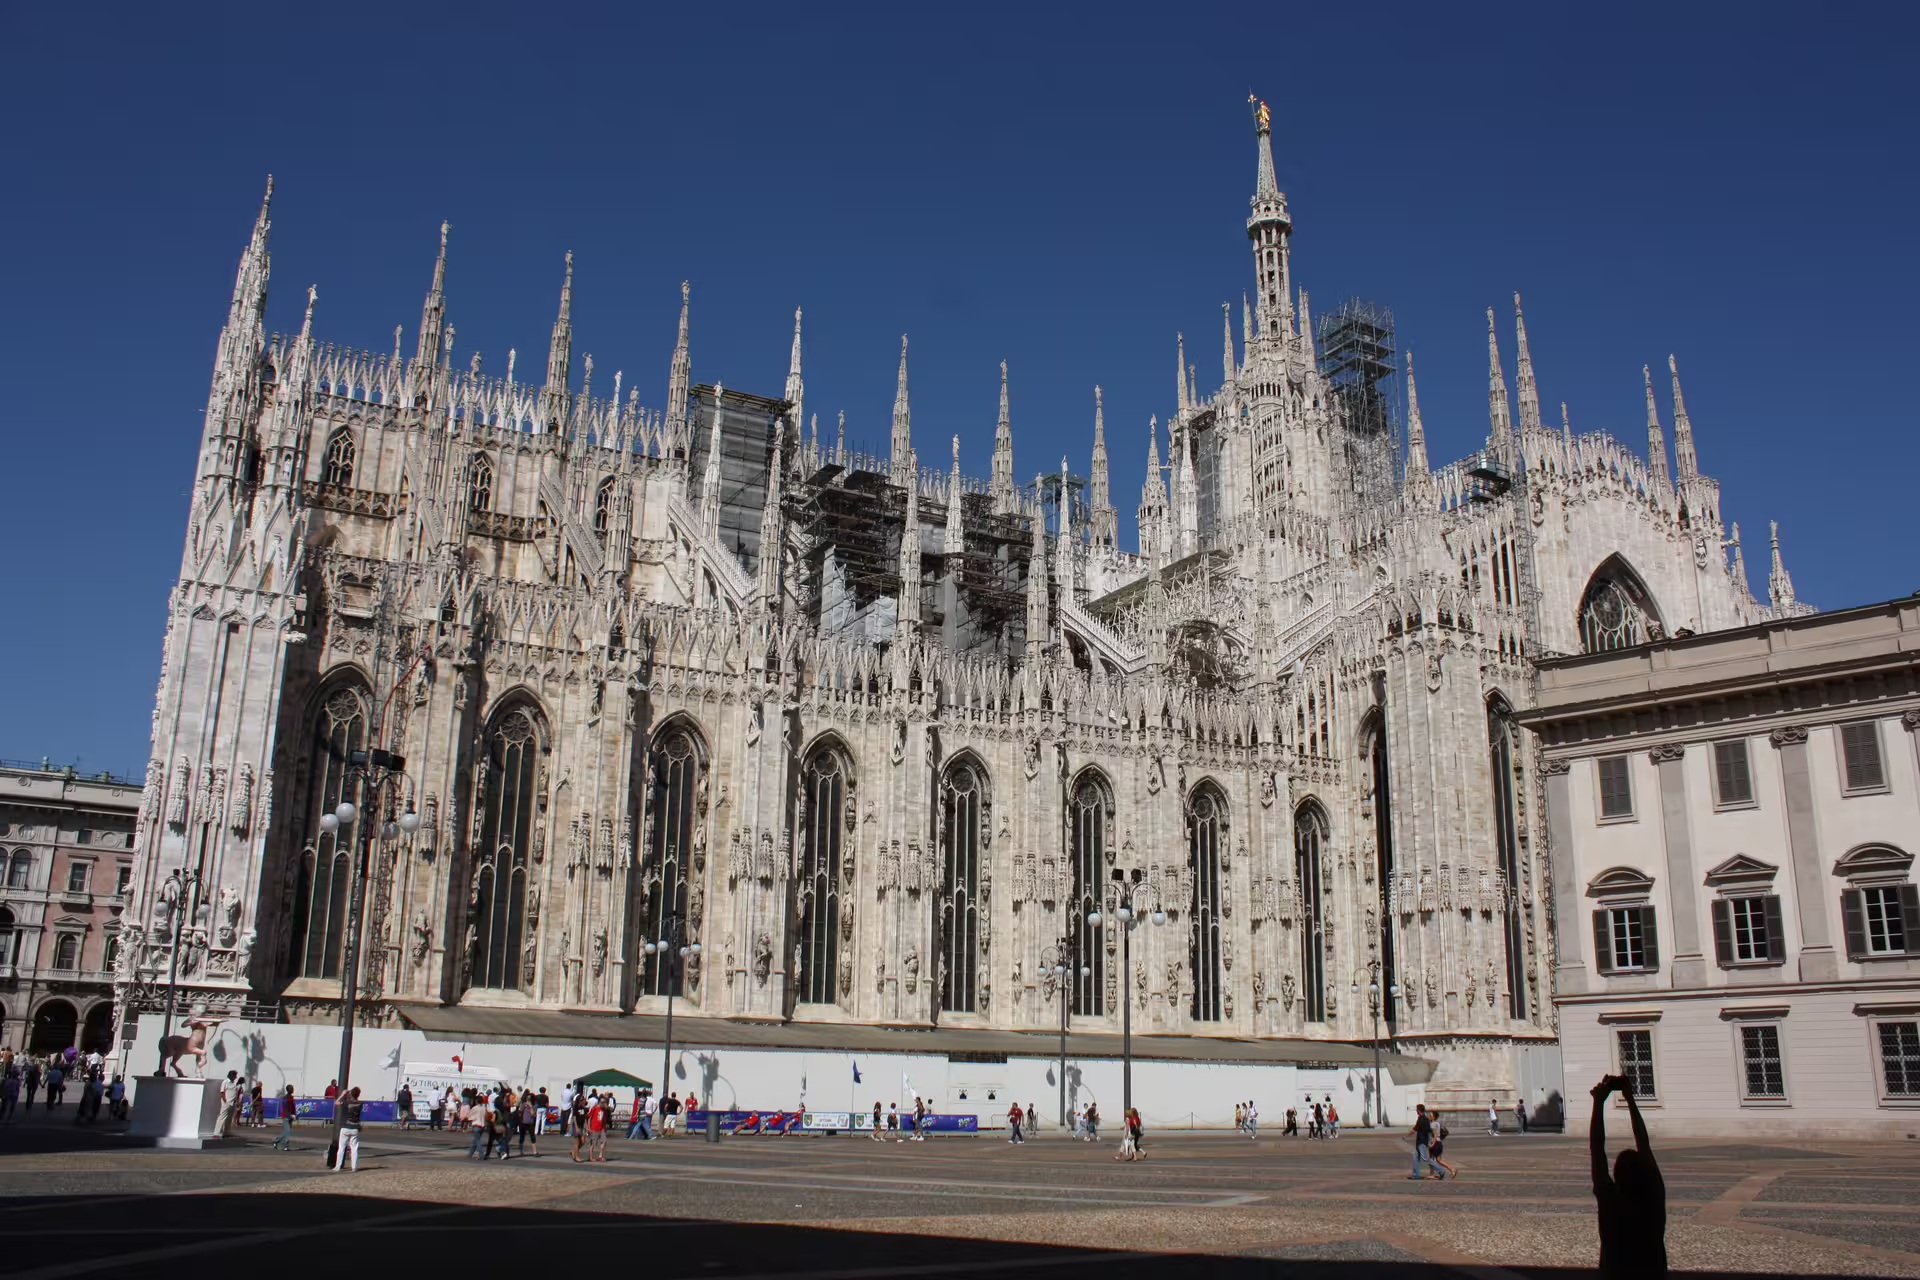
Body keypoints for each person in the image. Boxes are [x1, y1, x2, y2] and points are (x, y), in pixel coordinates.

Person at [1591, 1075, 1666, 1279]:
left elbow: (1597, 1149)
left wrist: (1598, 1104)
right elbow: (1644, 1143)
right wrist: (1630, 1098)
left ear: (1616, 1173)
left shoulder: (1611, 1201)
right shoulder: (1654, 1198)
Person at [1408, 1103, 1446, 1180]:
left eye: (1416, 1109)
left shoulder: (1421, 1119)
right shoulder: (1425, 1119)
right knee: (1416, 1157)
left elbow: (1415, 1129)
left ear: (1419, 1110)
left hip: (1421, 1142)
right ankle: (1416, 1175)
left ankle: (1441, 1171)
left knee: (1426, 1159)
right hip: (1421, 1142)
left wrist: (1406, 1136)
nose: (1416, 1110)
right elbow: (1429, 1131)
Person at [334, 1087, 364, 1172]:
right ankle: (354, 1167)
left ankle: (338, 1166)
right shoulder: (360, 1104)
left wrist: (343, 1094)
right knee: (354, 1148)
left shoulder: (346, 1103)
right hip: (355, 1127)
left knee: (341, 1148)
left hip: (345, 1126)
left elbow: (336, 1103)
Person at [468, 1092, 492, 1159]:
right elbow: (486, 1116)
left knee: (477, 1141)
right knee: (475, 1141)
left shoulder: (475, 1108)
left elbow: (470, 1117)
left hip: (476, 1125)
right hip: (482, 1125)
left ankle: (481, 1154)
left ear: (476, 1101)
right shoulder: (484, 1108)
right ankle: (470, 1154)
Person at [216, 1071, 240, 1137]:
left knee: (229, 1118)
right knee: (222, 1117)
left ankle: (226, 1132)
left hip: (232, 1103)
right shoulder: (225, 1082)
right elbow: (222, 1092)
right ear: (232, 1075)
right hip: (226, 1103)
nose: (236, 1077)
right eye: (235, 1075)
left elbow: (235, 1093)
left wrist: (236, 1101)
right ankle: (217, 1132)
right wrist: (224, 1100)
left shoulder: (234, 1084)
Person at [273, 1085, 296, 1150]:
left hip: (290, 1116)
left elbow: (292, 1107)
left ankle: (276, 1141)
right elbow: (285, 1108)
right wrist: (290, 1115)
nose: (293, 1089)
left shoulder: (291, 1097)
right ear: (288, 1090)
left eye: (293, 1088)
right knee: (287, 1131)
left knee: (286, 1132)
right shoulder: (285, 1098)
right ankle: (285, 1145)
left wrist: (294, 1114)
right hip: (286, 1116)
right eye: (292, 1088)